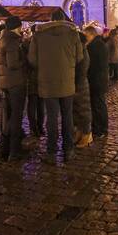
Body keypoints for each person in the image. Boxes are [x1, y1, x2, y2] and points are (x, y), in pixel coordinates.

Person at [27, 10, 83, 164]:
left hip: (47, 82)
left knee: (51, 118)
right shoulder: (73, 33)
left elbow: (32, 59)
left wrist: (45, 66)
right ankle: (68, 150)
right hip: (67, 81)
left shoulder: (38, 34)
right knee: (67, 117)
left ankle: (51, 152)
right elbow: (80, 57)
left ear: (50, 19)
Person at [0, 16, 27, 160]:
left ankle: (3, 149)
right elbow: (13, 64)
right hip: (15, 82)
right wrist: (24, 61)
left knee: (7, 116)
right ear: (17, 27)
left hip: (4, 82)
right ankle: (14, 151)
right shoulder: (12, 40)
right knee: (16, 117)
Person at [84, 26, 109, 138]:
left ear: (91, 34)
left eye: (86, 36)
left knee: (97, 105)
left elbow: (92, 65)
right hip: (100, 79)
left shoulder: (94, 46)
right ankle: (102, 127)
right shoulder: (100, 44)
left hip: (96, 80)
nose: (85, 38)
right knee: (100, 104)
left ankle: (99, 129)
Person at [73, 32, 92, 147]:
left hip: (80, 84)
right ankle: (79, 132)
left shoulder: (83, 51)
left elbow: (82, 69)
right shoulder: (79, 50)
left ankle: (87, 134)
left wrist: (77, 81)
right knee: (76, 110)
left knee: (83, 110)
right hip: (77, 83)